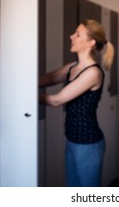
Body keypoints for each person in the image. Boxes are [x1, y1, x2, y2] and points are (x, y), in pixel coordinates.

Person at [39, 19, 114, 187]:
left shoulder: (93, 72)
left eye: (77, 34)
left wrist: (26, 97)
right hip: (72, 139)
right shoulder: (72, 67)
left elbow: (56, 100)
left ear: (91, 42)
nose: (71, 36)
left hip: (88, 144)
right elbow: (43, 80)